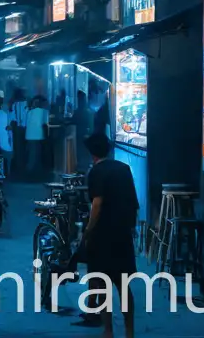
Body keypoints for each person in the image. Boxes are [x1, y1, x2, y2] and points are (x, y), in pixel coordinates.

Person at [81, 132, 138, 338]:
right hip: (122, 235)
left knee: (103, 285)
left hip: (102, 236)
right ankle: (129, 331)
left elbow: (97, 204)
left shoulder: (96, 171)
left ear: (92, 154)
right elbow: (133, 202)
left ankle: (108, 331)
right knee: (124, 287)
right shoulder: (124, 169)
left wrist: (88, 230)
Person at [25, 96, 50, 179]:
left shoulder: (29, 112)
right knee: (37, 155)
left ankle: (30, 172)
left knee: (32, 155)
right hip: (38, 135)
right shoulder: (44, 112)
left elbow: (26, 124)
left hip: (29, 136)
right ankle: (35, 173)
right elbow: (46, 124)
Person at [9, 93, 28, 178]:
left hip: (17, 128)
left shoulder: (15, 105)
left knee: (17, 147)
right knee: (22, 147)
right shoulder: (26, 104)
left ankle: (18, 165)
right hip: (24, 128)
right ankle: (21, 165)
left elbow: (13, 118)